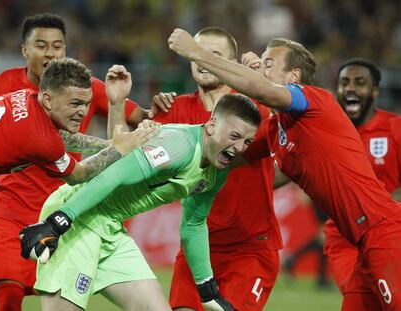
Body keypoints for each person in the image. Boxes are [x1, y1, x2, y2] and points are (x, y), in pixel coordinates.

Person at [167, 29, 401, 310]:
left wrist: (198, 53)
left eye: (268, 63)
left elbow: (261, 90)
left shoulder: (315, 100)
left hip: (385, 231)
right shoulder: (272, 130)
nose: (257, 66)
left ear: (293, 78)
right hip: (362, 243)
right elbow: (218, 154)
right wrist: (159, 131)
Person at [20, 93, 261, 311]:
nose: (239, 148)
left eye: (247, 142)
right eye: (235, 136)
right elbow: (112, 175)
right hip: (78, 218)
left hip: (111, 227)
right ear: (211, 125)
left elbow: (194, 224)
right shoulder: (180, 147)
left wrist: (207, 287)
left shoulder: (217, 172)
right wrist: (58, 222)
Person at [0, 13, 151, 311]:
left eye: (86, 105)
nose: (83, 111)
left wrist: (110, 143)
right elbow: (78, 174)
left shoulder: (27, 97)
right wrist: (117, 149)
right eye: (76, 105)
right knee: (8, 290)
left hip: (52, 204)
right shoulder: (39, 137)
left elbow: (64, 140)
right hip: (15, 206)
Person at [147, 26, 281, 311]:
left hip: (249, 248)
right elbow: (132, 156)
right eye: (196, 52)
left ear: (229, 63)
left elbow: (289, 135)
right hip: (196, 247)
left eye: (213, 54)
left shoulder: (256, 107)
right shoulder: (174, 110)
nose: (201, 59)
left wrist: (263, 79)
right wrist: (118, 104)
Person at [323, 58, 401, 306]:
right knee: (360, 299)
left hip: (386, 233)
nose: (351, 88)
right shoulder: (327, 130)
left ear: (375, 90)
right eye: (344, 83)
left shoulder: (394, 129)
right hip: (343, 239)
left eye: (360, 82)